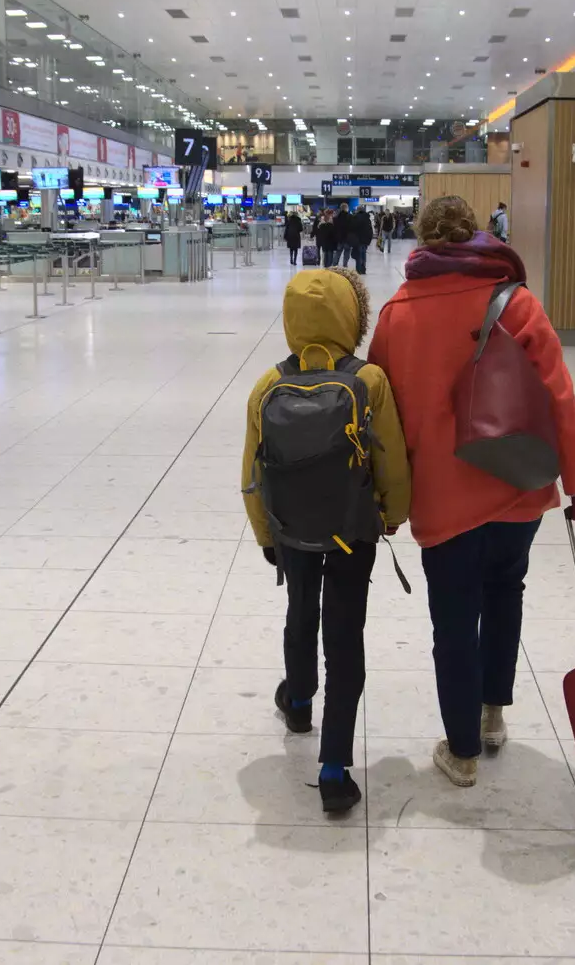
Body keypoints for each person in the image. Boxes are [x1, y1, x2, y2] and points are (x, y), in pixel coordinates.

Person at [368, 196, 575, 789]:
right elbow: (559, 398)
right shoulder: (516, 301)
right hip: (516, 483)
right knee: (505, 591)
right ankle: (493, 714)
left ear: (421, 240)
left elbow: (383, 421)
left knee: (453, 618)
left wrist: (386, 500)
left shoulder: (398, 313)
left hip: (443, 496)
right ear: (474, 235)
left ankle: (463, 750)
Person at [242, 268, 411, 813]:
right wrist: (392, 516)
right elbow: (391, 461)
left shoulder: (269, 385)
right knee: (345, 633)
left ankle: (297, 700)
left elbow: (252, 473)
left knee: (299, 611)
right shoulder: (370, 381)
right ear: (351, 316)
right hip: (351, 533)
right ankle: (334, 767)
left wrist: (267, 535)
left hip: (293, 530)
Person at [350, 207, 374, 274]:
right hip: (365, 240)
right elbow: (370, 230)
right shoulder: (367, 218)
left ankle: (358, 270)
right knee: (363, 254)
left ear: (358, 210)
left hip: (358, 240)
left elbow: (353, 229)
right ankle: (363, 269)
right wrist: (369, 240)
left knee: (359, 255)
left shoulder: (355, 218)